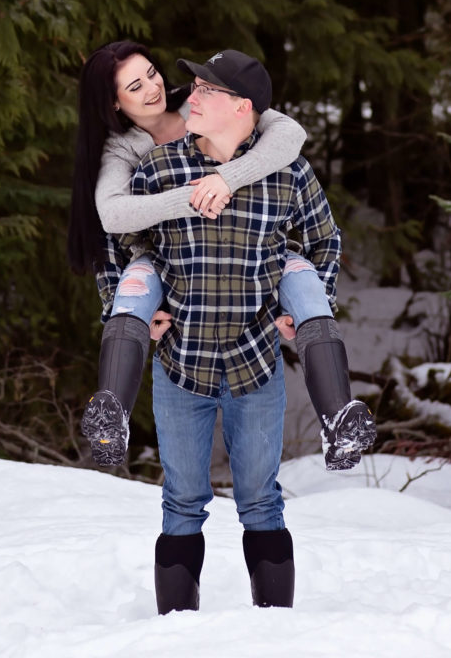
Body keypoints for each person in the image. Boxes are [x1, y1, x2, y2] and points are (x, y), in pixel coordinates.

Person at [94, 48, 376, 613]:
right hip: (182, 367)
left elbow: (326, 240)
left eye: (205, 90)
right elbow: (117, 246)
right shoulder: (157, 169)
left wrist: (307, 305)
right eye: (192, 86)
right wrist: (126, 306)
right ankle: (176, 637)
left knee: (261, 503)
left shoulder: (287, 173)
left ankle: (274, 634)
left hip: (255, 365)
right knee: (181, 503)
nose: (186, 97)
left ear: (241, 107)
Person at [68, 42, 364, 472]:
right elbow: (113, 218)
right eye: (135, 85)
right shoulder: (129, 152)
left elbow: (290, 136)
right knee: (135, 283)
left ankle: (339, 419)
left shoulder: (202, 104)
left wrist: (226, 178)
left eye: (152, 72)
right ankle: (111, 417)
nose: (154, 87)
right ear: (115, 101)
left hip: (250, 265)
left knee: (302, 278)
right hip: (173, 267)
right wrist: (195, 196)